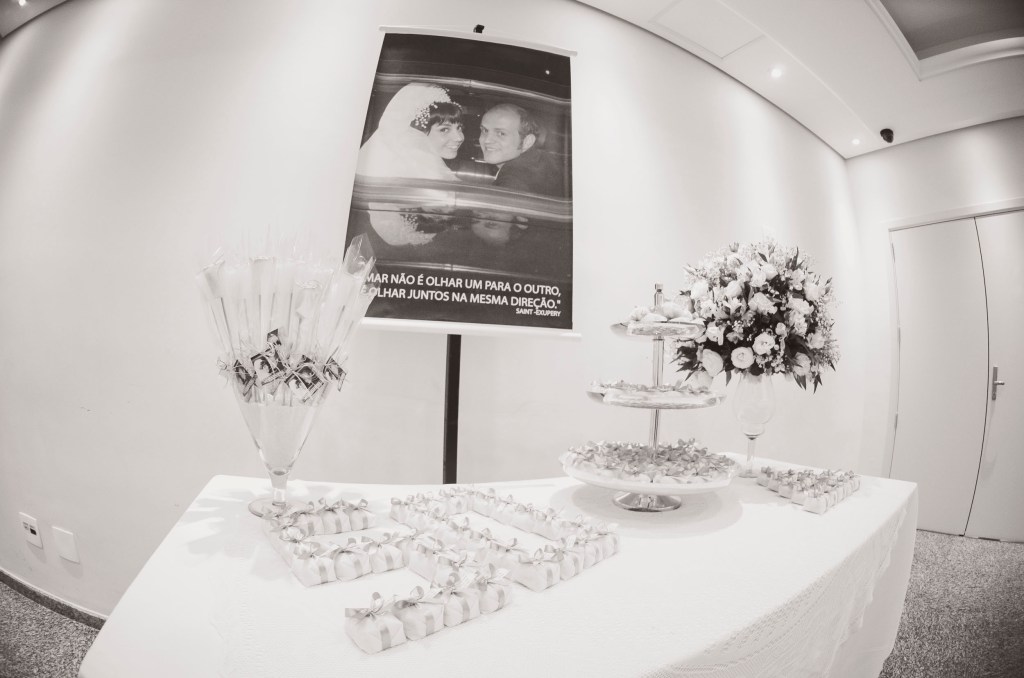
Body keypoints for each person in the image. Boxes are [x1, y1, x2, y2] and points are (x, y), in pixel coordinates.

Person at [356, 83, 465, 181]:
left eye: (459, 127)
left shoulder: (427, 169)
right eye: (444, 129)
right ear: (416, 132)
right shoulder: (403, 175)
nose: (459, 138)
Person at [478, 103, 562, 196]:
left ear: (527, 142)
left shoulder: (512, 182)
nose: (487, 140)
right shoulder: (543, 162)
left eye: (501, 133)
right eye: (485, 131)